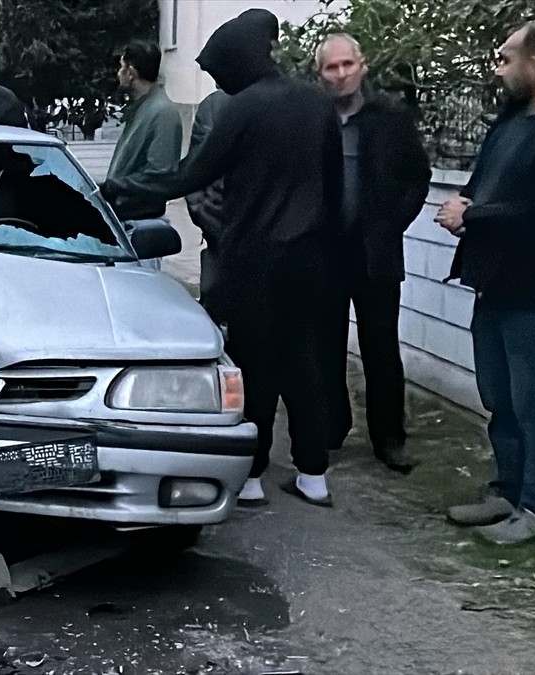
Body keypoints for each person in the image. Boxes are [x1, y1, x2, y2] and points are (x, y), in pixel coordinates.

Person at [129, 9, 344, 507]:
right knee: (306, 364)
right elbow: (336, 188)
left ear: (235, 60)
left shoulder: (242, 108)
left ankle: (250, 477)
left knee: (255, 368)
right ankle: (314, 475)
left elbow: (189, 177)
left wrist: (117, 190)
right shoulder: (317, 104)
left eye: (217, 68)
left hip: (253, 260)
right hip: (313, 261)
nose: (216, 79)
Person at [437, 20, 535, 544]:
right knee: (501, 399)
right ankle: (508, 491)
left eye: (507, 58)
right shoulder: (510, 121)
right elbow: (480, 185)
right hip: (492, 285)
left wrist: (475, 215)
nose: (498, 68)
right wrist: (464, 205)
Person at [317, 33, 431, 472]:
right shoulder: (314, 119)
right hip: (325, 252)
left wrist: (391, 223)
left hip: (376, 253)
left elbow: (417, 177)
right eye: (332, 67)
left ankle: (389, 439)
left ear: (362, 66)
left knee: (380, 347)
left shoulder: (390, 119)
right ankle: (330, 427)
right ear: (320, 73)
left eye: (348, 64)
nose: (342, 74)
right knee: (325, 344)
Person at [99, 40, 183, 221]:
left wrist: (116, 186)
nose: (118, 73)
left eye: (122, 67)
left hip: (141, 220)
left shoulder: (162, 112)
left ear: (131, 72)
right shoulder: (143, 107)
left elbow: (159, 174)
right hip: (126, 215)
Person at [184, 87, 231, 324]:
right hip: (217, 231)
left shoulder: (273, 101)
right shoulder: (212, 106)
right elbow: (195, 168)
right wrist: (202, 211)